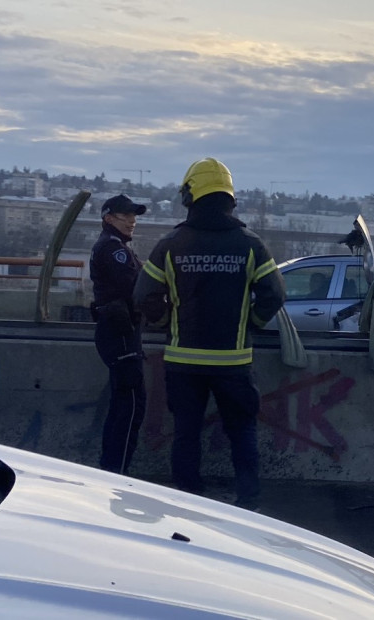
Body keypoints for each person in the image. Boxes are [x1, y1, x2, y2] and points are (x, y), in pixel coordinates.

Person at [133, 157, 285, 511]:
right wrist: (249, 325)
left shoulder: (171, 244)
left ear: (190, 196)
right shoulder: (250, 244)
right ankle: (248, 503)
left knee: (186, 434)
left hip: (183, 362)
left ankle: (187, 502)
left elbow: (143, 296)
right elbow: (274, 295)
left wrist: (165, 321)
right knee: (242, 432)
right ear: (229, 197)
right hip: (234, 363)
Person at [90, 193, 148, 474]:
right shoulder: (115, 249)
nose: (132, 221)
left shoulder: (114, 246)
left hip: (117, 331)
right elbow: (135, 287)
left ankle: (111, 467)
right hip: (121, 332)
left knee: (122, 404)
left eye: (134, 215)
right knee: (131, 406)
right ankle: (118, 471)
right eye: (125, 215)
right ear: (108, 218)